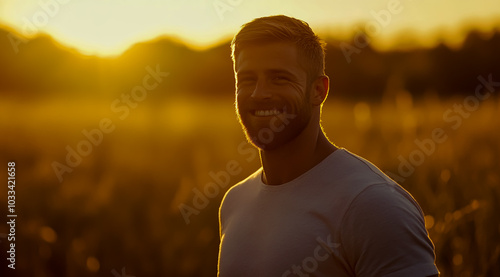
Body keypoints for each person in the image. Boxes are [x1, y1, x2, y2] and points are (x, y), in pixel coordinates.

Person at [218, 15, 439, 277]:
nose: (259, 93)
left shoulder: (374, 205)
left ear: (318, 91)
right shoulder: (234, 202)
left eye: (279, 79)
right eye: (247, 80)